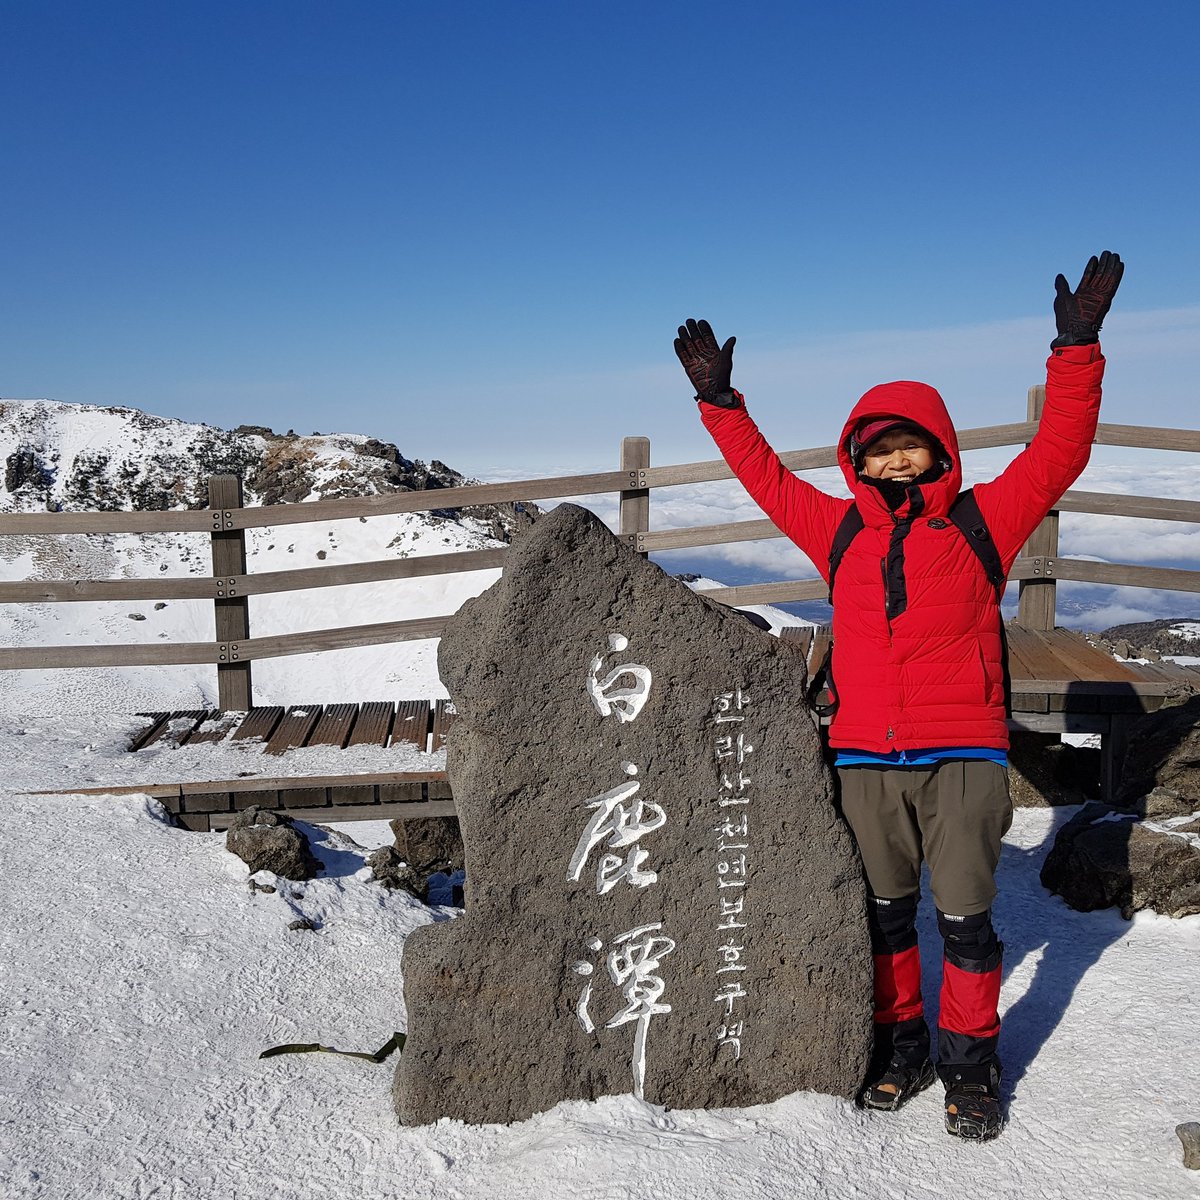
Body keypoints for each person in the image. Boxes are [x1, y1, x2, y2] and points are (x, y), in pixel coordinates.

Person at [674, 252, 1123, 1141]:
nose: (894, 459)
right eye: (878, 449)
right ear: (857, 460)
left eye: (908, 444)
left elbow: (1061, 450)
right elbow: (765, 481)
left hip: (963, 755)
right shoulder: (836, 527)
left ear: (939, 450)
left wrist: (1075, 349)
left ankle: (972, 1064)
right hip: (865, 757)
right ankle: (902, 1045)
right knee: (884, 921)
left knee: (965, 924)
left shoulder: (981, 520)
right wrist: (722, 404)